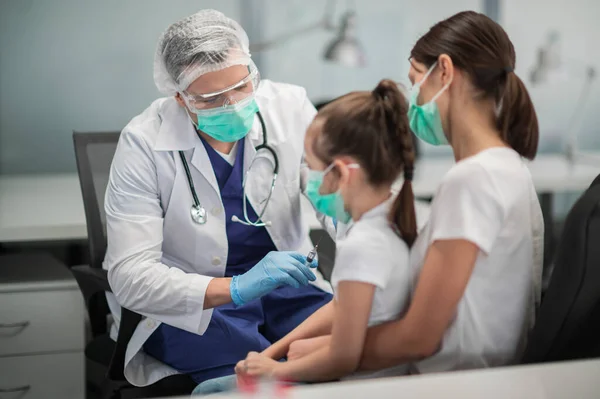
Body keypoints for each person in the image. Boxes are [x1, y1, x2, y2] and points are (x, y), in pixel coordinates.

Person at [249, 10, 545, 378]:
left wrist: (326, 352)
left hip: (456, 381)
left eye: (416, 81)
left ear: (446, 72)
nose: (414, 102)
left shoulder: (472, 180)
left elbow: (419, 338)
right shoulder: (508, 166)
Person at [103, 9, 333, 387]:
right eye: (210, 98)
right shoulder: (143, 142)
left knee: (349, 353)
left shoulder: (290, 108)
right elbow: (130, 276)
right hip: (195, 305)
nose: (232, 104)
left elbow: (331, 187)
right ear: (180, 98)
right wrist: (238, 288)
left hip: (287, 291)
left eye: (242, 87)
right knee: (250, 381)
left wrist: (353, 224)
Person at [228, 79, 418, 382]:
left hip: (364, 387)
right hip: (377, 377)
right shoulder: (391, 223)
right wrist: (273, 352)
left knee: (210, 392)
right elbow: (341, 306)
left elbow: (343, 358)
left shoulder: (362, 246)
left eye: (311, 167)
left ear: (340, 172)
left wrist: (274, 370)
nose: (308, 177)